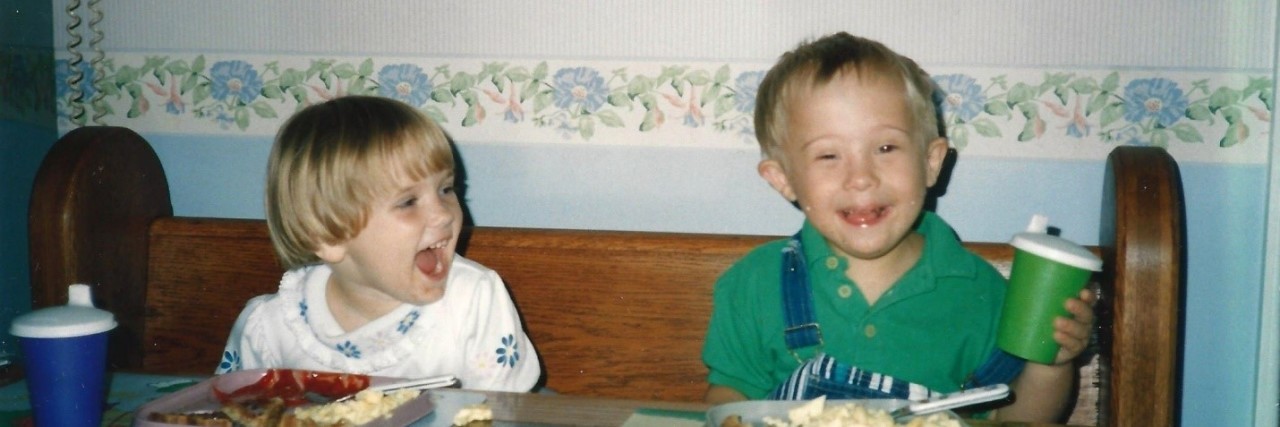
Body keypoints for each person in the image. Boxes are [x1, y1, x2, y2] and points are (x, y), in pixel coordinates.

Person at [701, 32, 1094, 421]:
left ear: (931, 162)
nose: (861, 177)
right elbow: (729, 396)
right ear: (783, 178)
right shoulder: (754, 285)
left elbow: (1019, 420)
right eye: (828, 155)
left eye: (886, 148)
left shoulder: (981, 293)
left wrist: (1051, 363)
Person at [215, 95, 541, 392]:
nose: (443, 215)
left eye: (445, 189)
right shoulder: (270, 328)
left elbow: (505, 413)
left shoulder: (472, 300)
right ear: (327, 236)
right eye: (408, 202)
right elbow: (232, 409)